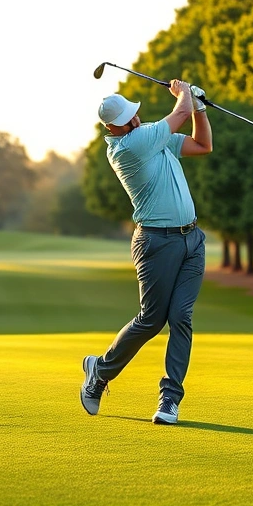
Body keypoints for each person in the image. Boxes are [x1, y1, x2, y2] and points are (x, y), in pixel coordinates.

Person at [81, 79, 212, 425]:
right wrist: (184, 94)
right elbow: (179, 114)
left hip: (192, 240)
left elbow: (202, 145)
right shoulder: (130, 146)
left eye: (134, 115)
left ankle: (170, 399)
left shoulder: (149, 136)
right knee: (152, 320)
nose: (135, 121)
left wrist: (199, 109)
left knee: (181, 317)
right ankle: (100, 372)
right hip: (157, 242)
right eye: (127, 120)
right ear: (112, 128)